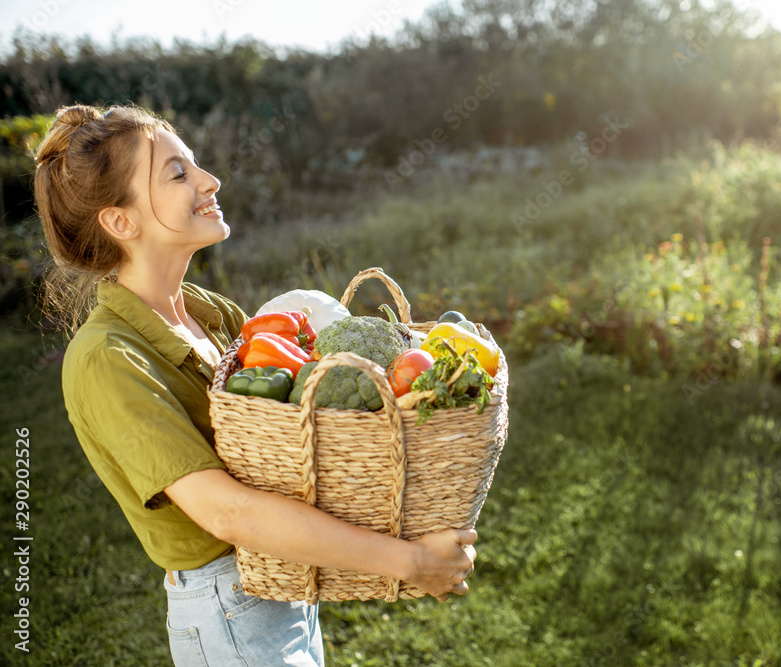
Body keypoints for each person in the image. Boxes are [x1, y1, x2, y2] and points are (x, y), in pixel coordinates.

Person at [34, 104, 477, 666]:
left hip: (281, 581)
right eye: (177, 173)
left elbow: (294, 433)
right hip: (227, 607)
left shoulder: (210, 314)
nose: (209, 180)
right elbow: (227, 513)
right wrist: (408, 561)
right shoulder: (106, 357)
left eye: (195, 166)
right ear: (121, 221)